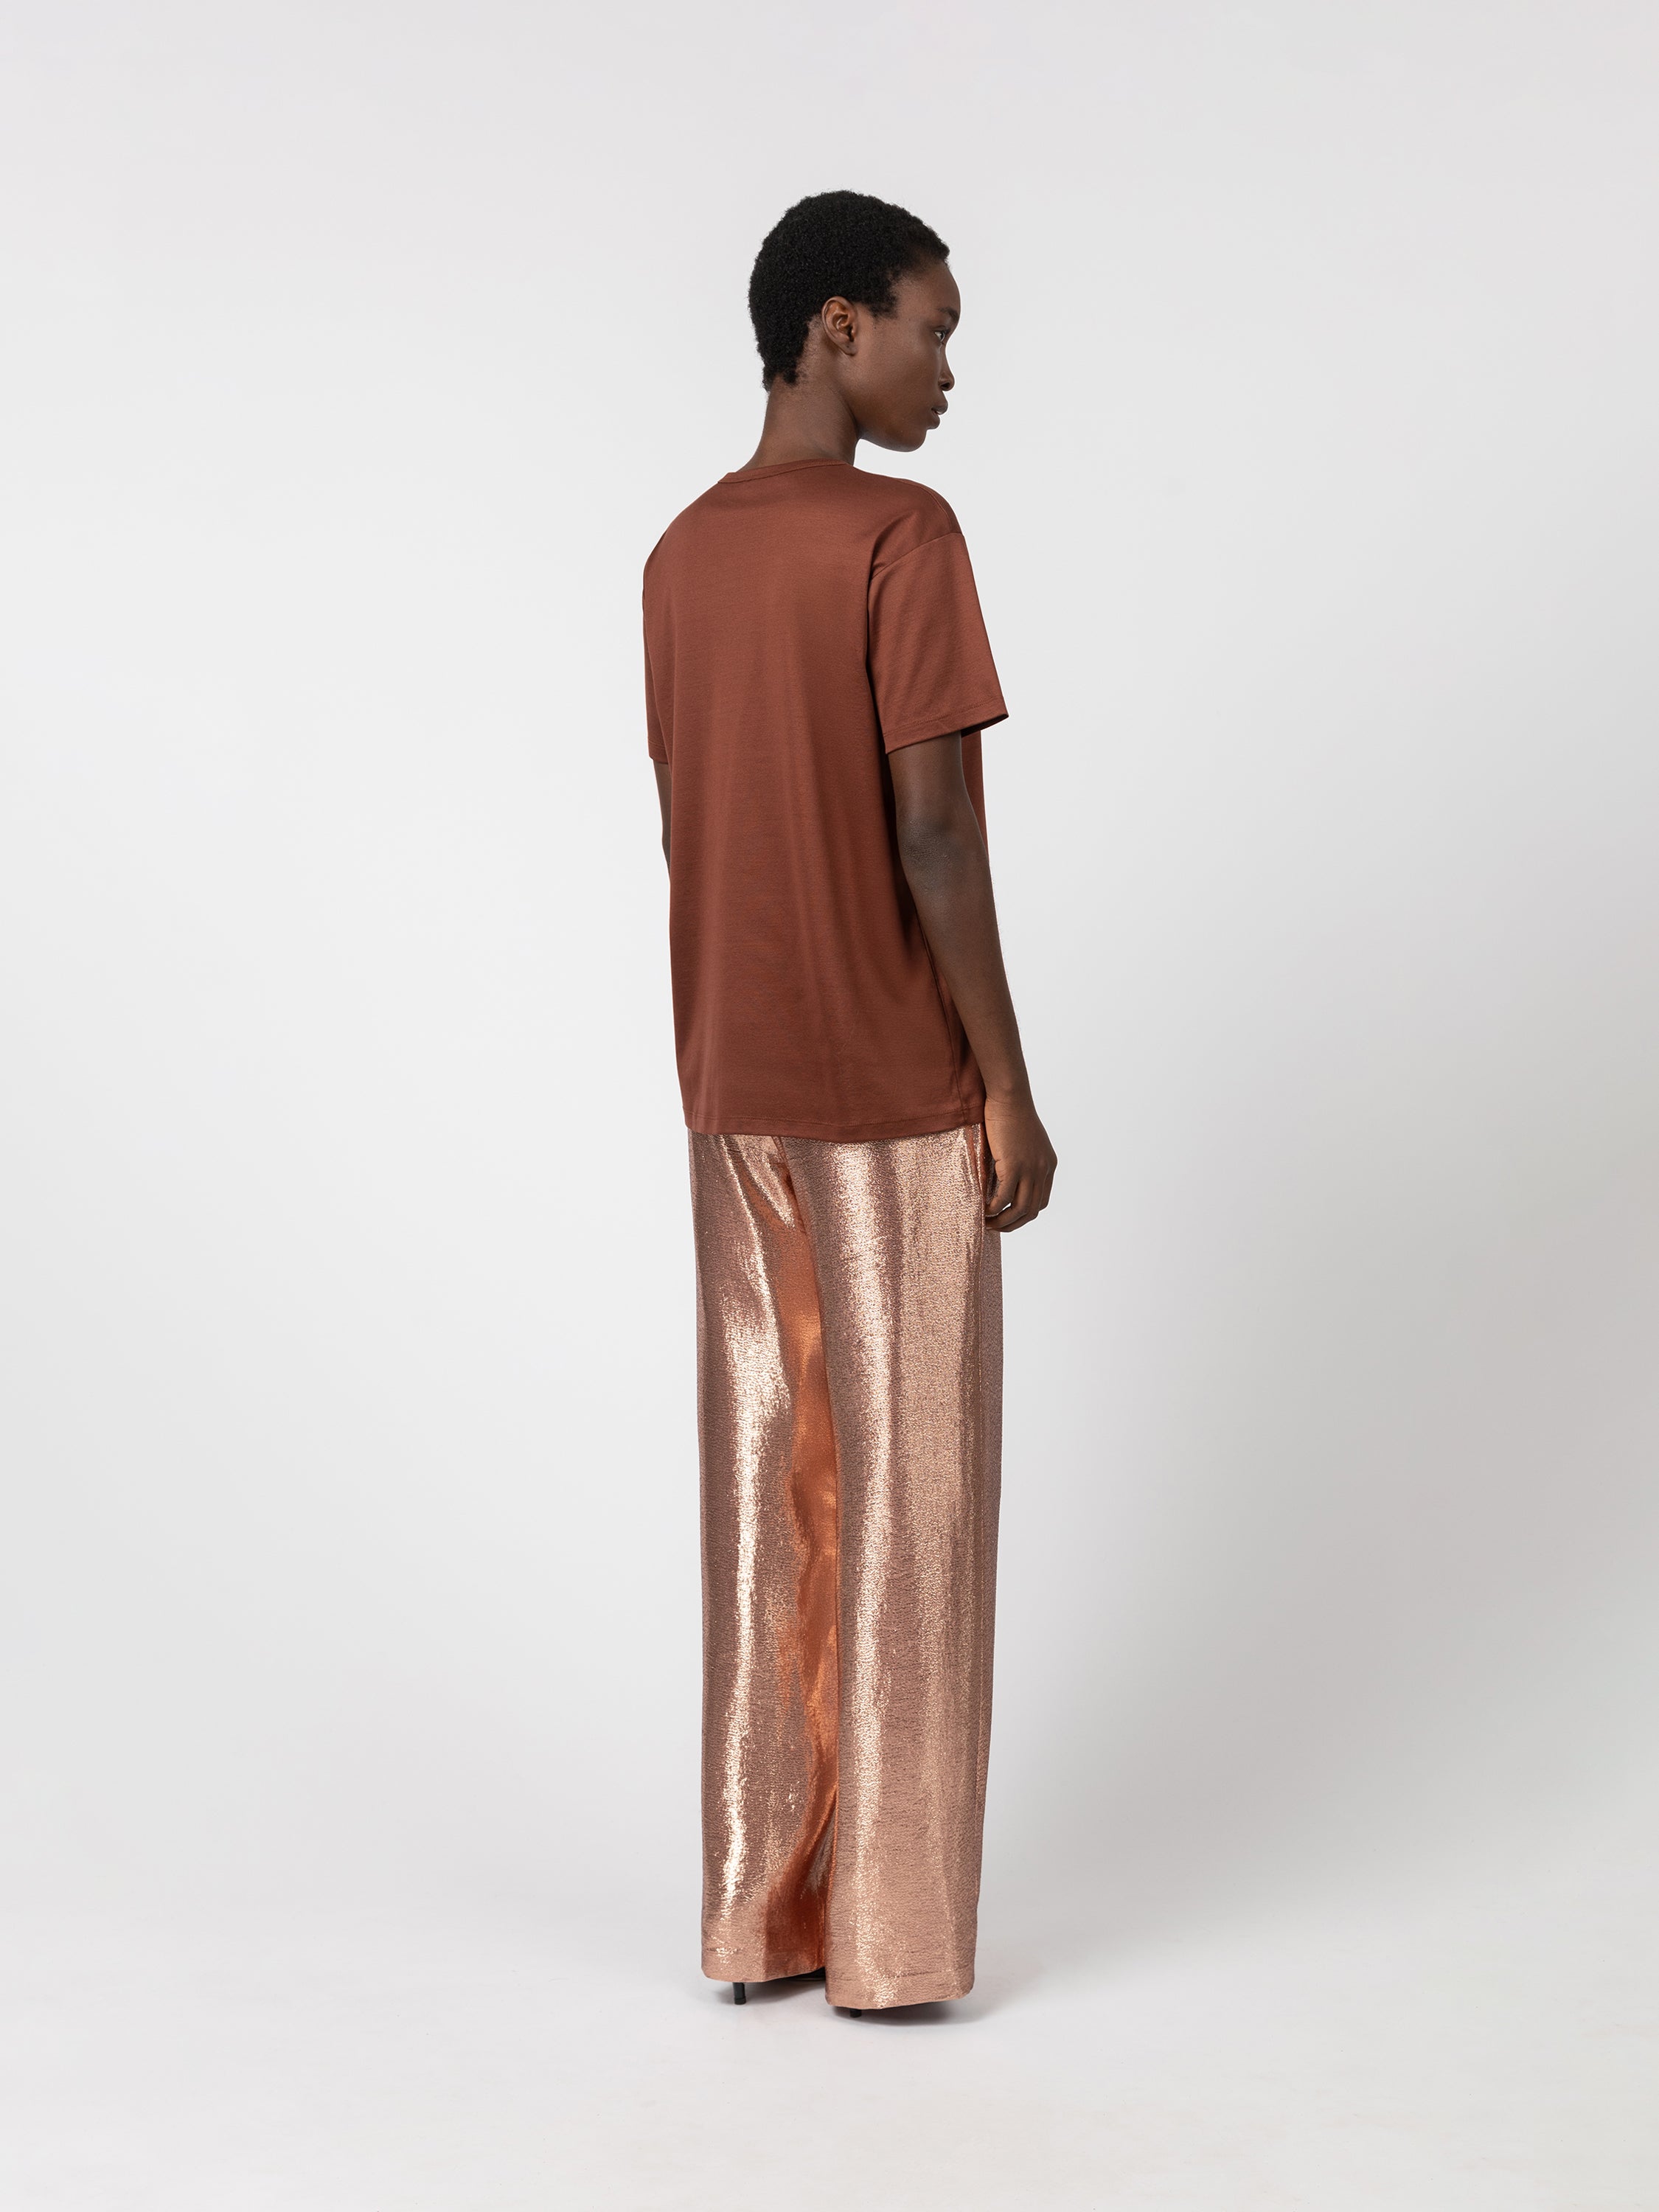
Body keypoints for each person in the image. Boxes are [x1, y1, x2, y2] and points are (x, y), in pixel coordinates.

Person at [642, 189, 1056, 2017]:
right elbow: (934, 832)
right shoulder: (903, 533)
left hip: (730, 1082)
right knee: (913, 1510)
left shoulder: (678, 556)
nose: (946, 369)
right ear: (837, 325)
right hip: (892, 1087)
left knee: (770, 1496)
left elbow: (695, 821)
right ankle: (890, 1945)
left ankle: (758, 1919)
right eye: (930, 328)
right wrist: (1007, 1085)